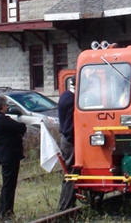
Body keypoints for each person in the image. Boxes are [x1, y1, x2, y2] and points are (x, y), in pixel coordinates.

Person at [0, 94, 27, 222]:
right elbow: (20, 127)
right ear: (2, 106)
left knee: (9, 184)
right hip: (9, 155)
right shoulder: (2, 120)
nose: (7, 107)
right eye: (5, 105)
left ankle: (6, 211)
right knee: (8, 185)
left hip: (5, 155)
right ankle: (5, 212)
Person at [57, 77, 77, 210]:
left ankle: (66, 204)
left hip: (65, 138)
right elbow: (69, 123)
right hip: (69, 140)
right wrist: (73, 139)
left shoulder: (65, 95)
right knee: (72, 171)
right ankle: (66, 205)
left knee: (69, 171)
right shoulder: (71, 99)